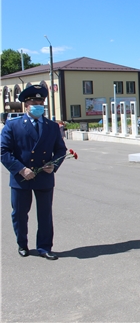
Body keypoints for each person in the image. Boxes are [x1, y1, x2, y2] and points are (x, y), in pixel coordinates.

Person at [1, 85, 67, 260]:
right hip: (21, 178)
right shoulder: (12, 125)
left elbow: (61, 150)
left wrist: (53, 164)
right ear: (26, 105)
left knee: (45, 214)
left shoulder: (51, 127)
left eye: (41, 101)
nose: (38, 104)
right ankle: (22, 244)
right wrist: (21, 169)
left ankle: (44, 247)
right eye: (34, 101)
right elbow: (3, 151)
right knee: (19, 214)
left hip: (44, 177)